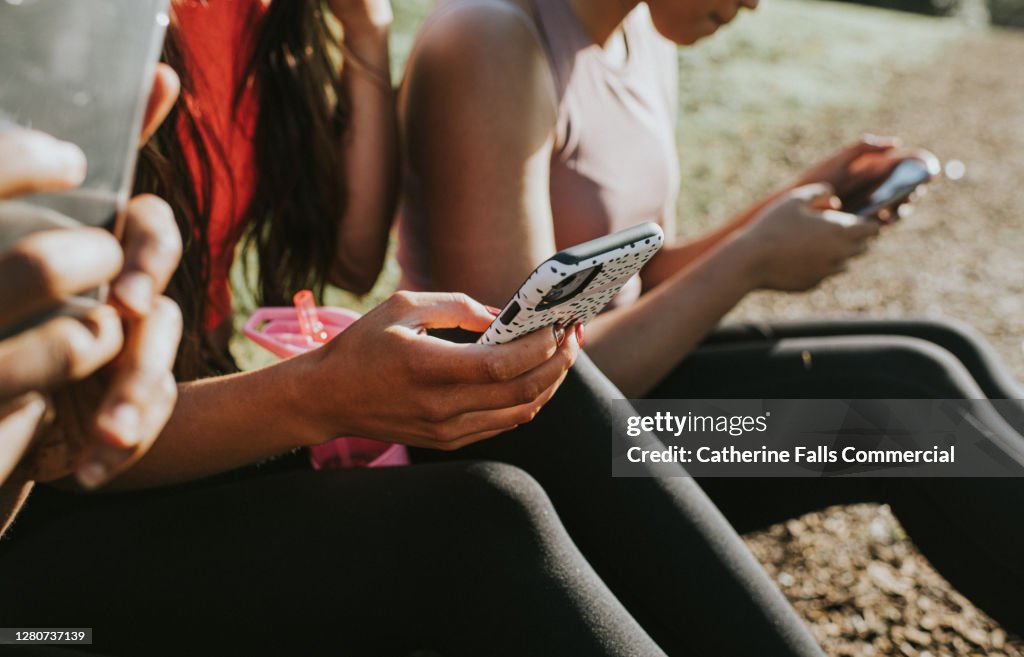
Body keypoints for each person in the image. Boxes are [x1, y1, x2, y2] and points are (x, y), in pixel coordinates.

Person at [397, 0, 1024, 642]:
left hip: (630, 397)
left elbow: (648, 273)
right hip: (552, 450)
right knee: (898, 404)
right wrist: (751, 260)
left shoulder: (639, 33)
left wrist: (783, 212)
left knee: (943, 347)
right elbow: (515, 388)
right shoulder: (493, 39)